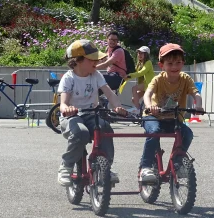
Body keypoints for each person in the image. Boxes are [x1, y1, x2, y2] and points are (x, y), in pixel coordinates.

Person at [57, 39, 126, 187]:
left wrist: (118, 107)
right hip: (71, 117)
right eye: (92, 59)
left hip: (90, 115)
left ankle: (106, 167)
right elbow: (63, 103)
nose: (97, 61)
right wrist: (66, 108)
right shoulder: (69, 78)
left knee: (105, 128)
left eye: (97, 58)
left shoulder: (95, 75)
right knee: (80, 133)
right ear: (78, 60)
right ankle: (66, 166)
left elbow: (110, 94)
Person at [139, 43, 204, 183]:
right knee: (154, 132)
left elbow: (196, 93)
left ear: (183, 63)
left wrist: (199, 105)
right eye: (170, 63)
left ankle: (177, 163)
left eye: (178, 63)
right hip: (153, 116)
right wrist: (150, 106)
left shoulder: (185, 79)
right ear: (161, 65)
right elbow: (147, 94)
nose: (174, 67)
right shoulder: (158, 79)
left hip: (173, 119)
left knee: (187, 134)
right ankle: (145, 167)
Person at [125, 46, 155, 113]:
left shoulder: (148, 63)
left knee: (134, 88)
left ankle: (138, 109)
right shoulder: (139, 63)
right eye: (138, 53)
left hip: (149, 85)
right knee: (134, 99)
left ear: (146, 55)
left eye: (142, 53)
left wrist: (130, 75)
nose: (139, 55)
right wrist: (125, 75)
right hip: (144, 85)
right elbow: (134, 72)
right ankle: (140, 111)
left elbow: (141, 72)